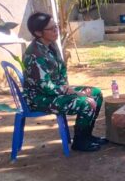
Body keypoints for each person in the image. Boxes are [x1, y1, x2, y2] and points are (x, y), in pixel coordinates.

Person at [23, 12, 105, 152]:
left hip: (56, 92)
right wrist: (69, 92)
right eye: (51, 28)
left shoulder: (51, 45)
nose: (56, 30)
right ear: (37, 32)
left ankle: (86, 135)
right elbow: (45, 86)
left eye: (56, 26)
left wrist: (68, 89)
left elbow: (61, 71)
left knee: (96, 93)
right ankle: (80, 142)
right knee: (86, 102)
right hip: (40, 98)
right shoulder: (35, 54)